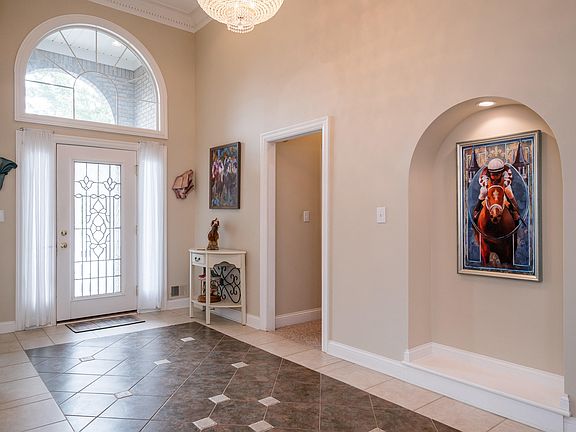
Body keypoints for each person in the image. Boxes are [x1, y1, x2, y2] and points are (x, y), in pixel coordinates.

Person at [472, 158, 520, 225]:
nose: (495, 177)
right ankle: (477, 209)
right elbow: (482, 180)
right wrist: (487, 184)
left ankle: (514, 209)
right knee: (483, 191)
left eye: (497, 175)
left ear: (501, 172)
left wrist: (504, 184)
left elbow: (508, 179)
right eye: (493, 175)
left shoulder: (506, 171)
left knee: (508, 191)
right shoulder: (485, 172)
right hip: (490, 186)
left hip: (502, 185)